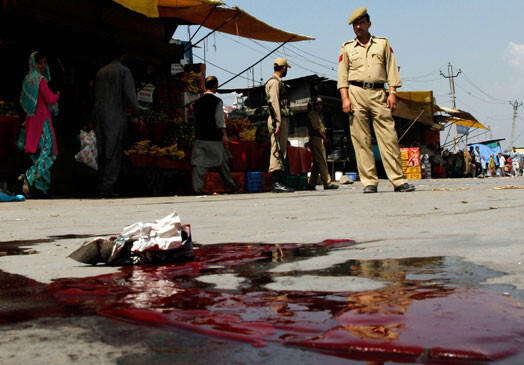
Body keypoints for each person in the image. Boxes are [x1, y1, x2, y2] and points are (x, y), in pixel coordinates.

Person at [337, 7, 414, 193]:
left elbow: (391, 69)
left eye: (361, 23)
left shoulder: (382, 44)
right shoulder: (347, 48)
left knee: (388, 137)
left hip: (379, 93)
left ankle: (397, 180)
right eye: (355, 24)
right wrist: (345, 98)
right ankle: (369, 182)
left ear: (369, 24)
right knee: (361, 139)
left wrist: (393, 92)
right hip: (356, 94)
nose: (358, 27)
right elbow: (342, 77)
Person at [94, 47, 143, 198]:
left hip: (100, 116)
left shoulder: (100, 72)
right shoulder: (124, 72)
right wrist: (137, 113)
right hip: (115, 117)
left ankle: (101, 184)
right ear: (123, 56)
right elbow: (131, 97)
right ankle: (107, 187)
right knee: (113, 152)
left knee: (102, 151)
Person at [18, 51, 60, 198]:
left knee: (39, 155)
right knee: (50, 152)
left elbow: (24, 103)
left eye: (44, 62)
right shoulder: (40, 80)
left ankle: (40, 189)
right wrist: (58, 94)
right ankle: (29, 176)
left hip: (31, 121)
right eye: (39, 62)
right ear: (33, 64)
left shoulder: (27, 79)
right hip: (43, 121)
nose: (42, 66)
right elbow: (50, 99)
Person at [191, 76, 238, 194]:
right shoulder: (217, 101)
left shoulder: (196, 103)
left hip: (200, 138)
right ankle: (230, 186)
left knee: (199, 164)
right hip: (214, 139)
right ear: (215, 85)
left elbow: (194, 121)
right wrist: (224, 135)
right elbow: (220, 121)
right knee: (222, 162)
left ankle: (197, 188)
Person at [266, 57, 294, 193]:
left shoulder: (277, 82)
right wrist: (277, 122)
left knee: (281, 149)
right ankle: (276, 183)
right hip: (277, 119)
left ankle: (280, 182)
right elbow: (274, 103)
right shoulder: (275, 83)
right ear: (283, 68)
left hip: (280, 119)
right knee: (276, 150)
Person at [306, 97, 338, 190]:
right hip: (316, 139)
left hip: (319, 139)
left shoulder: (318, 114)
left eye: (320, 104)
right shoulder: (312, 114)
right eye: (317, 104)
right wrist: (324, 137)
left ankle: (312, 183)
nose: (319, 106)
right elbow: (316, 128)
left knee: (317, 163)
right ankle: (327, 183)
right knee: (322, 161)